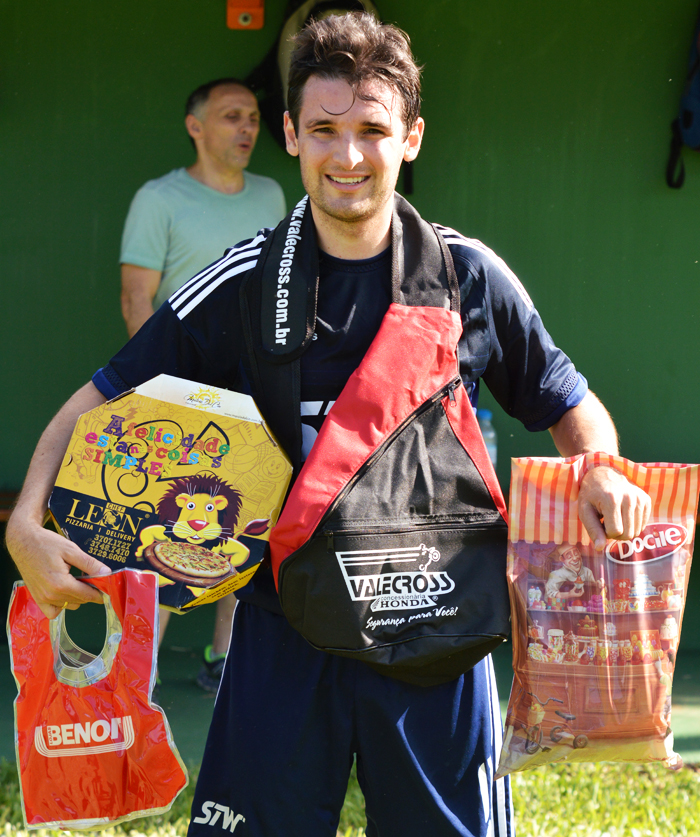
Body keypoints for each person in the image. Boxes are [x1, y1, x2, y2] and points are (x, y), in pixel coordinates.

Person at [6, 13, 652, 837]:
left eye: (372, 130)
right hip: (283, 634)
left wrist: (598, 463)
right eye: (324, 130)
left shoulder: (468, 274)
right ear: (291, 134)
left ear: (412, 137)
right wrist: (28, 520)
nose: (348, 156)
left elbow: (568, 402)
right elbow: (99, 399)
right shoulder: (243, 282)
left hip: (438, 632)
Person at [119, 77, 286, 690]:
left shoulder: (271, 194)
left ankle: (225, 662)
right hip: (179, 397)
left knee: (242, 529)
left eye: (251, 118)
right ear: (196, 126)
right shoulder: (159, 199)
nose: (246, 128)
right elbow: (138, 299)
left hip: (256, 394)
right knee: (166, 535)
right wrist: (163, 390)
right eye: (230, 117)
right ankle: (140, 676)